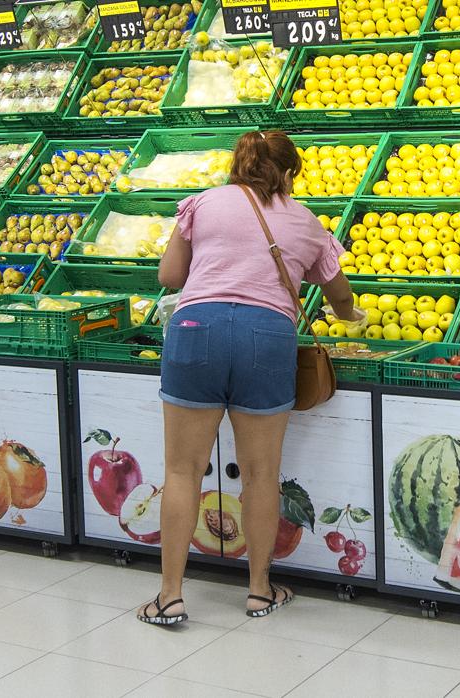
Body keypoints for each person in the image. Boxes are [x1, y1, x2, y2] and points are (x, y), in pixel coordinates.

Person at [138, 130, 362, 626]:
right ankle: (260, 591)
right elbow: (339, 296)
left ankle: (169, 597)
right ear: (286, 173)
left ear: (238, 165)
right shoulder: (306, 222)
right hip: (268, 336)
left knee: (182, 471)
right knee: (261, 473)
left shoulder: (201, 204)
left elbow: (170, 277)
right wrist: (353, 319)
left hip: (197, 330)